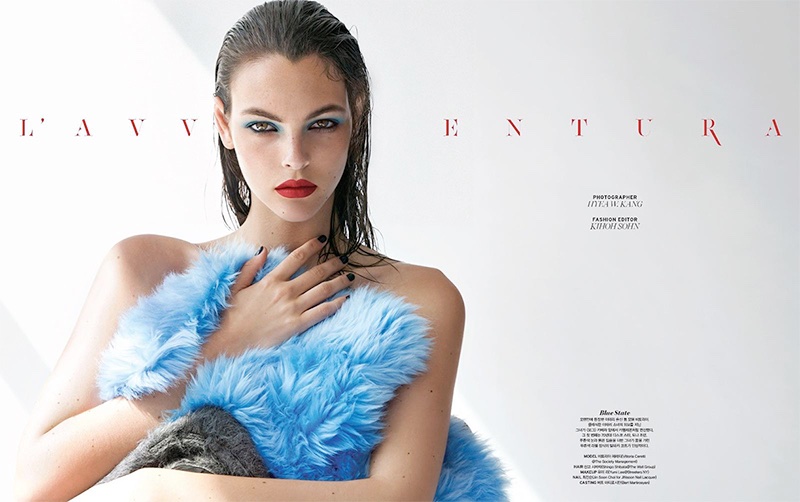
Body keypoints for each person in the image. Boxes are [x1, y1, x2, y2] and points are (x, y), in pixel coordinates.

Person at [14, 1, 467, 500]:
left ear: (355, 116)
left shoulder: (420, 300)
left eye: (321, 124)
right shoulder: (145, 269)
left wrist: (173, 490)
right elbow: (33, 484)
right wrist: (221, 347)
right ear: (224, 123)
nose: (294, 158)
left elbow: (399, 496)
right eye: (263, 126)